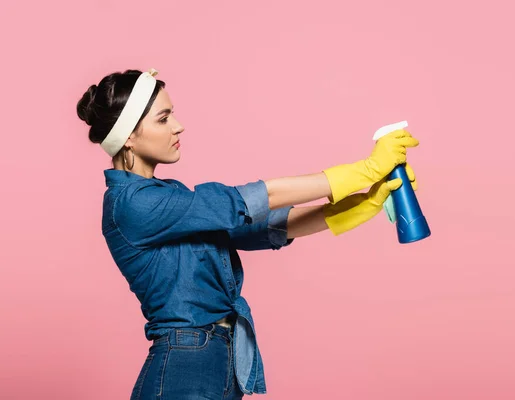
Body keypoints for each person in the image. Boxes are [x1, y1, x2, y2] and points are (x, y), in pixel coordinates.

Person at [76, 68, 419, 400]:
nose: (178, 126)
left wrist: (362, 203)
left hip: (216, 360)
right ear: (130, 136)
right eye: (163, 119)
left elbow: (259, 226)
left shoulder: (168, 195)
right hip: (185, 365)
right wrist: (364, 170)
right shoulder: (134, 203)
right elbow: (249, 200)